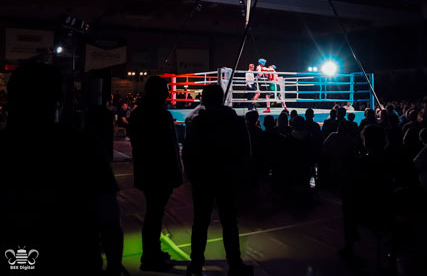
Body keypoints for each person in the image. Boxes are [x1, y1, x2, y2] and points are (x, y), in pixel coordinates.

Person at [0, 62, 123, 275]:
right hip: (74, 260)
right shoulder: (85, 148)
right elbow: (109, 219)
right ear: (60, 99)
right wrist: (113, 267)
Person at [183, 85, 253, 276]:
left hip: (203, 179)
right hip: (226, 178)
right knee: (229, 222)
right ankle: (234, 263)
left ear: (205, 100)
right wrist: (240, 175)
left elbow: (187, 153)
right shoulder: (234, 121)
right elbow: (245, 151)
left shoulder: (198, 123)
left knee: (200, 222)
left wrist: (191, 176)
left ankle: (196, 263)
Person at [129, 76, 183, 271]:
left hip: (147, 171)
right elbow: (169, 147)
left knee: (154, 214)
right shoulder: (160, 115)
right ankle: (150, 256)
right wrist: (177, 172)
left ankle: (152, 251)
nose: (169, 93)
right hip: (160, 172)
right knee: (154, 215)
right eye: (166, 89)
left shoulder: (138, 114)